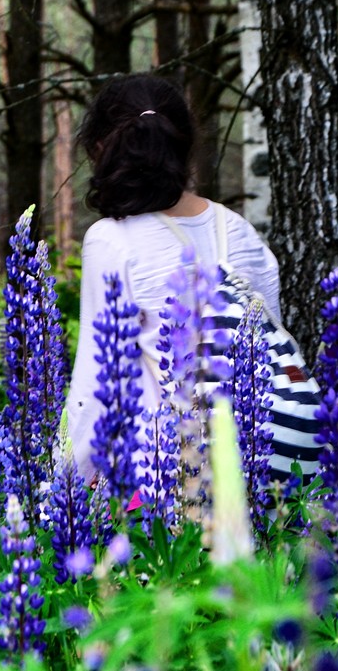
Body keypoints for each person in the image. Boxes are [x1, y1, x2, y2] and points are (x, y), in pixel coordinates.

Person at [62, 74, 284, 478]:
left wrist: (66, 490)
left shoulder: (111, 240)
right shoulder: (240, 232)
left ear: (99, 149)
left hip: (162, 487)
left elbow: (97, 385)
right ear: (184, 145)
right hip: (262, 470)